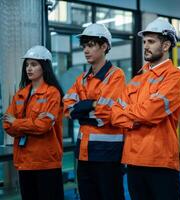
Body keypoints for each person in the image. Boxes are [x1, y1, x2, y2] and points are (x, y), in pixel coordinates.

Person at [111, 18, 180, 200]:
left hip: (160, 162)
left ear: (166, 45)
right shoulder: (137, 79)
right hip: (133, 160)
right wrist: (138, 115)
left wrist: (131, 114)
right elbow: (114, 114)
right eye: (144, 41)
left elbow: (149, 113)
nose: (146, 46)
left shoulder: (174, 77)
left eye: (151, 42)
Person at [63, 23, 126, 200]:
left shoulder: (116, 75)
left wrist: (81, 110)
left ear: (104, 46)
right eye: (84, 46)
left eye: (90, 45)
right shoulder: (82, 78)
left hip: (108, 153)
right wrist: (91, 105)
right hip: (83, 152)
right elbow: (67, 109)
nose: (85, 50)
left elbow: (105, 115)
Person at [3, 45, 65, 200]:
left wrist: (17, 122)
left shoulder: (53, 94)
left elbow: (43, 126)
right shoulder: (20, 94)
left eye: (34, 64)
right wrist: (31, 124)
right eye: (27, 65)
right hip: (24, 161)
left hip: (46, 162)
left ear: (44, 67)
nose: (29, 69)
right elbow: (6, 125)